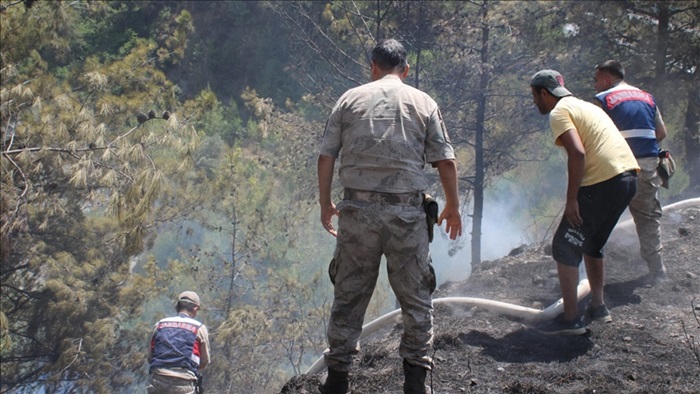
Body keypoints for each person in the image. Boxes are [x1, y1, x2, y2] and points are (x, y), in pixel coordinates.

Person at [317, 38, 462, 393]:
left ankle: (337, 381)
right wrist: (453, 206)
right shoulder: (423, 101)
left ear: (373, 66)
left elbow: (326, 157)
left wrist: (325, 204)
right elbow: (446, 161)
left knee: (349, 296)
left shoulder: (349, 99)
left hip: (357, 212)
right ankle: (415, 383)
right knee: (415, 299)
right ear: (406, 70)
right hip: (406, 214)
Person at [530, 70, 639, 335]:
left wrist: (571, 200)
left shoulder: (559, 112)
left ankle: (570, 320)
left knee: (564, 246)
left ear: (545, 93)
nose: (535, 102)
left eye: (535, 96)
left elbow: (577, 153)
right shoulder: (587, 107)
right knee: (592, 244)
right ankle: (599, 308)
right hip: (627, 179)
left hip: (602, 182)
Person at [593, 60, 669, 286]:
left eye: (596, 80)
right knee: (647, 219)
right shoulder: (648, 98)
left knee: (599, 219)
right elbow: (661, 132)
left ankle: (590, 279)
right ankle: (658, 272)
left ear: (607, 79)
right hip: (647, 167)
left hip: (616, 169)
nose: (594, 85)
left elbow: (595, 137)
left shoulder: (602, 100)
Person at [147, 291, 210, 394]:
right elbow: (204, 361)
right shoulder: (199, 328)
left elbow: (150, 358)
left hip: (158, 380)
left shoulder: (160, 324)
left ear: (177, 307)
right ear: (195, 309)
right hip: (184, 382)